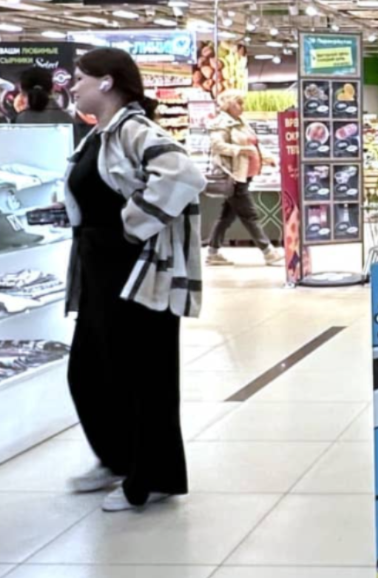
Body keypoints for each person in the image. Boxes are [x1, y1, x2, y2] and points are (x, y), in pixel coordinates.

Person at [59, 48, 205, 512]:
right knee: (90, 372)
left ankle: (154, 476)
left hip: (137, 273)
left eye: (80, 78)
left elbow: (183, 173)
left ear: (106, 82)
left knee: (145, 378)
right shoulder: (99, 134)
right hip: (100, 273)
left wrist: (132, 224)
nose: (73, 86)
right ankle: (118, 458)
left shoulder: (133, 129)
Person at [206, 89, 283, 266]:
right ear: (229, 104)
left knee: (226, 217)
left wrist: (266, 158)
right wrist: (240, 150)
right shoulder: (221, 123)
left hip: (245, 175)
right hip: (234, 176)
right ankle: (268, 252)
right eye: (239, 103)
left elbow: (254, 145)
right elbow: (217, 146)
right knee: (250, 215)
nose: (243, 106)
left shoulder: (241, 122)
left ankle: (212, 252)